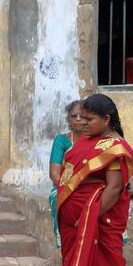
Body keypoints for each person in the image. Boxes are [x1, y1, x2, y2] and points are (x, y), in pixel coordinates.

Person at [44, 94, 133, 266]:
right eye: (80, 118)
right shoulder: (87, 140)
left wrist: (88, 217)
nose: (82, 123)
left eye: (88, 119)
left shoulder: (115, 148)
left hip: (99, 222)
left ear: (107, 119)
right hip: (74, 223)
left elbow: (114, 188)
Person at [48, 100, 83, 249]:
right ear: (68, 120)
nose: (78, 119)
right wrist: (70, 189)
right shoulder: (62, 141)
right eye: (74, 116)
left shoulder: (98, 141)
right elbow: (54, 174)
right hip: (65, 188)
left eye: (82, 116)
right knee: (58, 200)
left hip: (91, 188)